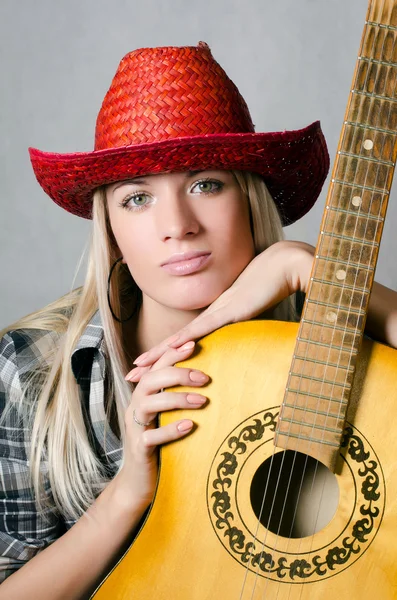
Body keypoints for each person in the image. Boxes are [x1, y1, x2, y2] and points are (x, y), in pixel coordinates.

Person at [1, 41, 396, 599]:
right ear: (110, 228)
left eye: (206, 184)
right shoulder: (31, 372)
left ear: (250, 198)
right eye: (137, 199)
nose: (177, 225)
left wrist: (312, 270)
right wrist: (127, 494)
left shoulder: (334, 336)